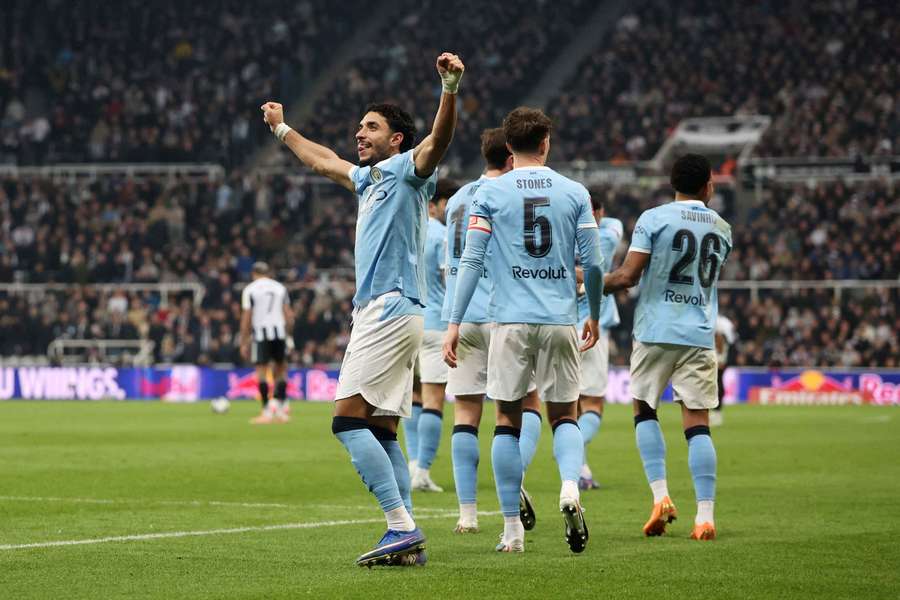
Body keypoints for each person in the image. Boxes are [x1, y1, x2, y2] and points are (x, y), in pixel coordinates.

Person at [261, 51, 464, 567]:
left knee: (346, 421)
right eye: (359, 127)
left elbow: (436, 143)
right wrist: (283, 129)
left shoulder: (406, 171)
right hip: (394, 312)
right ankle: (405, 534)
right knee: (381, 428)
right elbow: (321, 159)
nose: (360, 134)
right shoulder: (367, 181)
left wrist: (449, 90)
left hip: (388, 309)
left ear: (396, 139)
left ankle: (401, 527)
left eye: (370, 127)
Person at [443, 107, 605, 554]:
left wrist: (454, 323)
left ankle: (512, 529)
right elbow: (592, 263)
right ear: (546, 144)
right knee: (564, 416)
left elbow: (471, 262)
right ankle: (570, 488)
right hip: (559, 319)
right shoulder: (574, 192)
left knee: (506, 421)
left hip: (509, 321)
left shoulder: (489, 194)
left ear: (509, 148)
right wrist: (592, 310)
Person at [603, 153, 732, 541]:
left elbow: (627, 278)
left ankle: (661, 497)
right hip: (698, 333)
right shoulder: (723, 228)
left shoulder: (653, 218)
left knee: (644, 409)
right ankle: (705, 517)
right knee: (698, 424)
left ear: (673, 183)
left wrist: (586, 280)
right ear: (708, 185)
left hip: (655, 330)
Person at [443, 128, 541, 534]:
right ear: (512, 157)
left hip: (462, 315)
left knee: (465, 413)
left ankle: (467, 514)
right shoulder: (515, 197)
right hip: (505, 314)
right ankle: (513, 480)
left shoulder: (457, 201)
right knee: (526, 405)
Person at [409, 179, 459, 493]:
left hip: (407, 321)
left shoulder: (409, 230)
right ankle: (423, 471)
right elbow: (450, 280)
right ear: (433, 204)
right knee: (433, 400)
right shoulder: (443, 236)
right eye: (447, 204)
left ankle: (414, 461)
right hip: (436, 321)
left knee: (412, 396)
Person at [575, 197, 623, 489]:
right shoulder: (608, 231)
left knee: (568, 405)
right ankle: (571, 453)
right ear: (600, 212)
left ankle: (581, 468)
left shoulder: (560, 231)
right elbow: (611, 230)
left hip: (560, 323)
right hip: (594, 325)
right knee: (592, 403)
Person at [240, 262, 293, 424]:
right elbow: (289, 316)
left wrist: (243, 341)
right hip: (279, 333)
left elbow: (247, 317)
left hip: (261, 335)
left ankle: (266, 412)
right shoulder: (280, 288)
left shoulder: (250, 289)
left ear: (253, 273)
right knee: (281, 370)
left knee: (262, 372)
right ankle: (282, 409)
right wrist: (289, 336)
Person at [711, 313, 736, 427]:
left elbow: (721, 339)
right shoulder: (724, 322)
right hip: (718, 355)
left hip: (718, 356)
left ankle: (716, 412)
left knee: (717, 382)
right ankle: (716, 412)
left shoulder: (718, 322)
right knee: (716, 383)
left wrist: (720, 358)